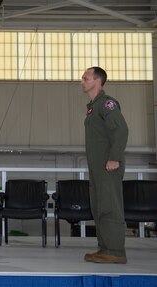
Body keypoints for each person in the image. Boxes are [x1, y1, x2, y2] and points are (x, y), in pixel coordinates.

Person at [81, 66, 129, 264]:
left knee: (110, 206)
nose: (82, 81)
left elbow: (121, 130)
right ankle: (105, 248)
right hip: (98, 167)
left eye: (86, 78)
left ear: (97, 81)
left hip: (109, 166)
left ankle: (116, 251)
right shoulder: (93, 106)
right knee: (99, 206)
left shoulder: (107, 104)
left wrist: (115, 157)